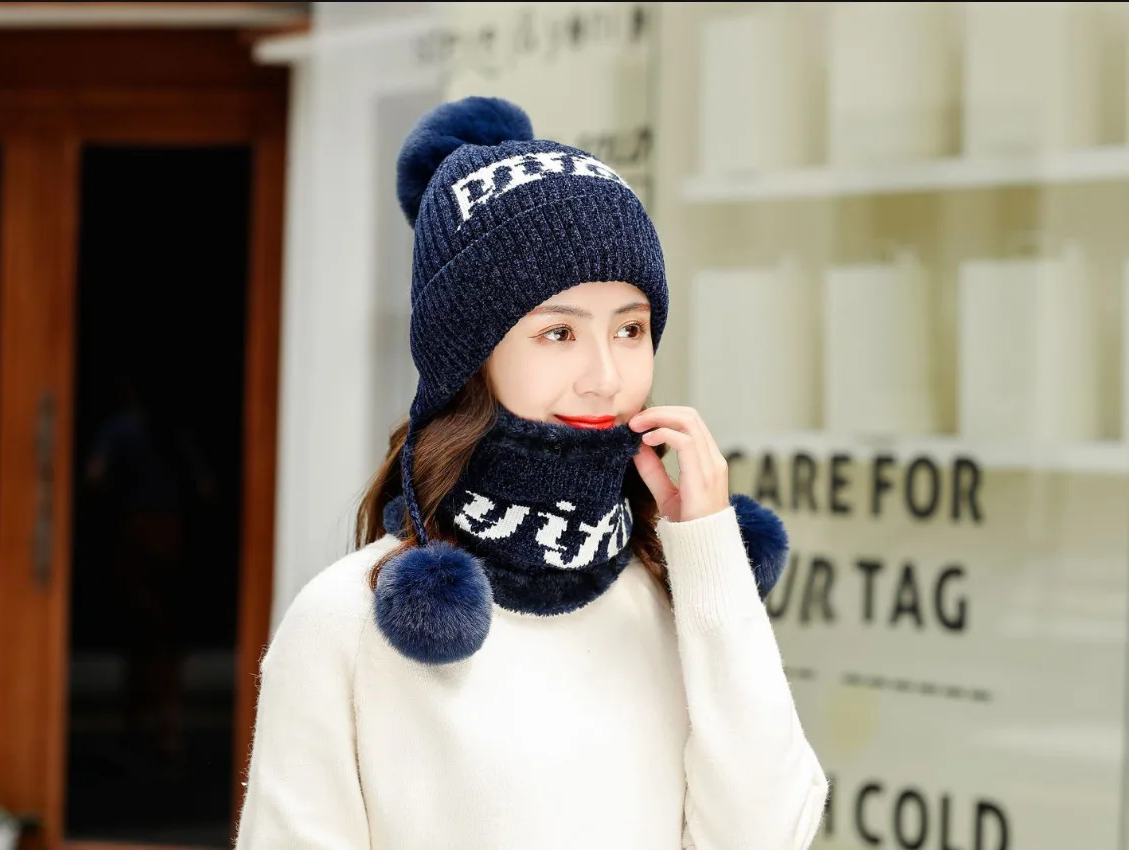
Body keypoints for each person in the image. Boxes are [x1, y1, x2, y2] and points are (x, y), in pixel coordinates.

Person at [236, 96, 828, 849]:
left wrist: (711, 560)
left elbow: (767, 836)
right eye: (558, 333)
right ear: (469, 354)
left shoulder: (679, 597)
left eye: (631, 328)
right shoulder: (348, 622)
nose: (606, 376)